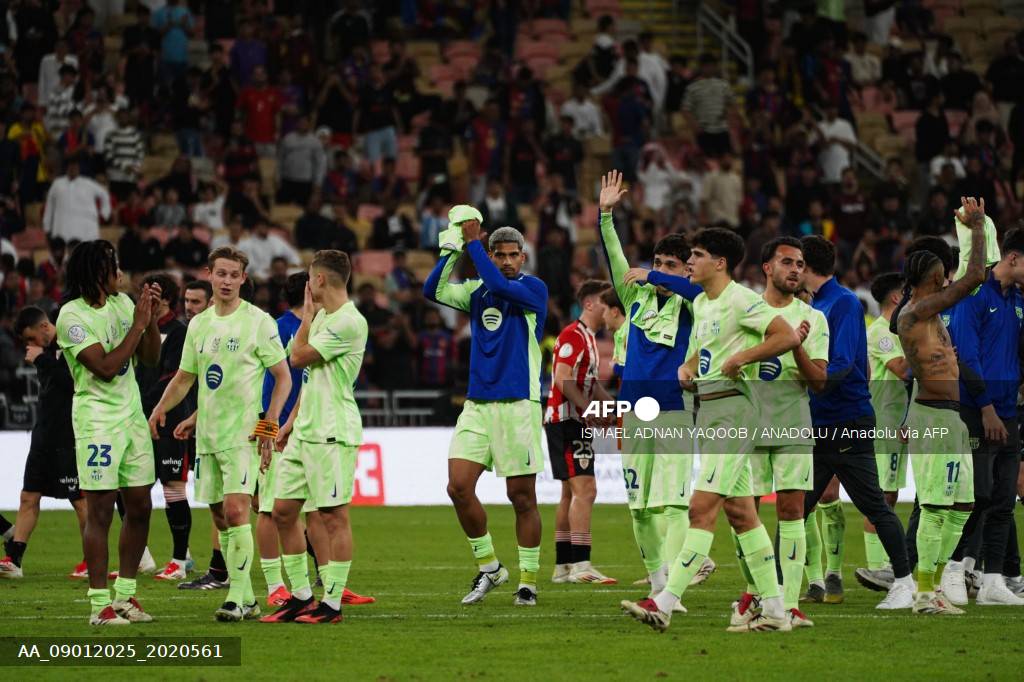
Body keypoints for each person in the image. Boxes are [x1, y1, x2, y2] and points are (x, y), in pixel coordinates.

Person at [621, 227, 801, 632]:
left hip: (736, 416)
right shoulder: (703, 304)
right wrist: (689, 366)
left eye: (697, 255)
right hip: (712, 412)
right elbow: (705, 348)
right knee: (741, 514)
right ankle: (775, 609)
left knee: (700, 508)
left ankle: (665, 602)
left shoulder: (742, 300)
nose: (690, 263)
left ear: (719, 263)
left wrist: (742, 358)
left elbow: (785, 336)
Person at [148, 246, 292, 622]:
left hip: (243, 435)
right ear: (210, 274)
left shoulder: (258, 322)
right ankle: (247, 599)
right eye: (221, 273)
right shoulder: (199, 324)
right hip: (208, 436)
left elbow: (283, 378)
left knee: (236, 509)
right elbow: (186, 378)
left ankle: (238, 596)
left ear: (244, 279)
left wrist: (269, 425)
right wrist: (163, 408)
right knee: (220, 516)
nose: (227, 281)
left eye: (234, 275)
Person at [594, 171, 709, 602]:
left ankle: (674, 592)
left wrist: (659, 278)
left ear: (685, 271)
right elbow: (614, 255)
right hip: (634, 411)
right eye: (657, 263)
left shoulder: (691, 303)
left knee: (674, 503)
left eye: (670, 266)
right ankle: (658, 581)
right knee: (639, 504)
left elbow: (699, 294)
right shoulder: (634, 297)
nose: (659, 270)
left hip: (674, 409)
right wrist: (606, 215)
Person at [424, 208, 548, 607]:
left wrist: (474, 244)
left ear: (523, 258)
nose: (508, 262)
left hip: (518, 406)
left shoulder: (534, 290)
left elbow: (497, 283)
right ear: (492, 256)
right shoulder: (477, 291)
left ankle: (528, 580)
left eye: (515, 255)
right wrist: (452, 249)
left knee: (521, 496)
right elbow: (433, 290)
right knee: (458, 487)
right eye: (501, 255)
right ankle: (491, 568)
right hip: (477, 405)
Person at [799, 235, 916, 610]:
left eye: (794, 263)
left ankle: (903, 582)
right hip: (819, 424)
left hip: (846, 421)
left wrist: (808, 381)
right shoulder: (816, 304)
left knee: (876, 506)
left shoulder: (844, 303)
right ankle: (774, 592)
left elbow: (845, 363)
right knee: (796, 508)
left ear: (804, 265)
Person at [55, 240, 162, 625]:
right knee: (99, 512)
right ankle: (99, 604)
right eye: (113, 266)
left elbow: (149, 358)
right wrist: (137, 324)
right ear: (97, 272)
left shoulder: (121, 304)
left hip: (132, 416)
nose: (120, 273)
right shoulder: (71, 316)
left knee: (140, 506)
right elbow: (104, 366)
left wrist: (149, 318)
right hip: (97, 420)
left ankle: (126, 598)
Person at [260, 250, 368, 623]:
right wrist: (290, 421)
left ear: (319, 280)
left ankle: (332, 603)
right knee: (283, 512)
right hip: (306, 430)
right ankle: (301, 595)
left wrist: (305, 315)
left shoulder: (350, 322)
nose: (307, 283)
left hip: (333, 432)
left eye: (309, 276)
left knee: (333, 516)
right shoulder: (323, 317)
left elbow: (298, 358)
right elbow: (309, 376)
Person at [893, 197, 988, 614]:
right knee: (934, 505)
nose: (946, 281)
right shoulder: (914, 314)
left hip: (950, 417)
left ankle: (931, 588)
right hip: (932, 417)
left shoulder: (930, 316)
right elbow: (973, 278)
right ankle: (924, 593)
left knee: (964, 503)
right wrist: (978, 229)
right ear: (927, 280)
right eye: (940, 278)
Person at [745, 237, 829, 628]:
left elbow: (819, 381)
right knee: (743, 512)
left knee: (792, 510)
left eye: (800, 264)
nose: (796, 269)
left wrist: (796, 345)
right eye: (787, 262)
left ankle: (791, 604)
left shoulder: (815, 319)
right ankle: (758, 593)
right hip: (748, 425)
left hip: (794, 424)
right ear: (767, 268)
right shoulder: (745, 311)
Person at [942, 224, 1024, 606]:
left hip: (1009, 412)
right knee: (974, 495)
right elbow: (967, 358)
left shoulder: (1016, 299)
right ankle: (953, 568)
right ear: (1013, 258)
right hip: (976, 411)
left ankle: (993, 582)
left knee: (1004, 500)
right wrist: (987, 408)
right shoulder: (973, 295)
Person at [0, 306, 87, 579]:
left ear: (44, 328)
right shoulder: (46, 353)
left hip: (69, 436)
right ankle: (14, 561)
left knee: (80, 501)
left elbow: (78, 384)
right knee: (28, 497)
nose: (29, 346)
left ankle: (91, 560)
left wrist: (42, 360)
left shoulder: (74, 342)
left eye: (30, 339)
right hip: (44, 434)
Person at [545, 280, 617, 585]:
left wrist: (612, 407)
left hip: (569, 420)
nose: (609, 306)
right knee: (586, 490)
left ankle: (563, 565)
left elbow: (589, 382)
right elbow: (563, 379)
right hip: (567, 421)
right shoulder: (573, 335)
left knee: (569, 493)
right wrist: (589, 410)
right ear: (589, 304)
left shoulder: (587, 338)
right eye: (604, 301)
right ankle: (581, 564)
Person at [133, 274, 194, 582]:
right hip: (136, 419)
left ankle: (180, 560)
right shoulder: (138, 330)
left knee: (172, 488)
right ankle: (140, 557)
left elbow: (174, 377)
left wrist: (150, 407)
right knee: (126, 487)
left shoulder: (181, 332)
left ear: (165, 298)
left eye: (150, 295)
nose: (142, 300)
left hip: (170, 421)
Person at [855, 273, 911, 592]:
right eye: (908, 292)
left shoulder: (899, 330)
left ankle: (882, 566)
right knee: (882, 497)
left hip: (899, 422)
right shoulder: (881, 333)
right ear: (896, 297)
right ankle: (877, 568)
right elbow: (902, 369)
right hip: (884, 424)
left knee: (889, 495)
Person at [43, 155, 111, 243]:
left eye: (75, 167)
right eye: (71, 167)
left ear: (78, 168)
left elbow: (104, 194)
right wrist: (47, 227)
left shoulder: (88, 183)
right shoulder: (57, 184)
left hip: (86, 230)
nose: (73, 169)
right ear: (67, 168)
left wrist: (104, 214)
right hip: (62, 229)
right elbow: (49, 206)